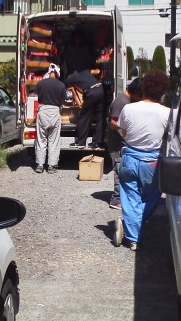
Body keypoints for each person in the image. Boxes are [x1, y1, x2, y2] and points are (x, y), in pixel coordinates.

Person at [115, 69, 170, 251]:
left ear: (144, 87)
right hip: (152, 161)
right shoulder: (167, 113)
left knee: (130, 196)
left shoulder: (128, 109)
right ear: (162, 91)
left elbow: (123, 131)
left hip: (130, 157)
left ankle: (132, 238)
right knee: (153, 195)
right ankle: (134, 227)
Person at [105, 77, 142, 210]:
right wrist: (127, 128)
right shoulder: (121, 101)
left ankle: (124, 197)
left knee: (123, 168)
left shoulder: (127, 101)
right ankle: (116, 199)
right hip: (116, 142)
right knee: (119, 169)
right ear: (136, 92)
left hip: (122, 141)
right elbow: (113, 123)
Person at [35, 63, 67, 174]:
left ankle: (40, 165)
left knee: (41, 139)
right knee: (53, 141)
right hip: (55, 111)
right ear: (57, 73)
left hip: (43, 110)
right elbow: (63, 100)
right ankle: (51, 166)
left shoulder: (41, 83)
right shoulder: (61, 85)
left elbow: (38, 98)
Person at [66, 68, 104, 149]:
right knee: (100, 118)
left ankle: (81, 142)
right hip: (101, 89)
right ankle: (97, 143)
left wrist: (80, 104)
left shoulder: (70, 79)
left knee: (84, 116)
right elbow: (97, 71)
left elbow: (74, 93)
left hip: (92, 92)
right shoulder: (85, 72)